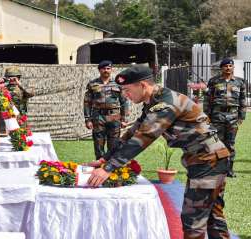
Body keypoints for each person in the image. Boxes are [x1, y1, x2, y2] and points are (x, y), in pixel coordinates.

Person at [87, 65, 231, 239]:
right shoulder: (154, 102)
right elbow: (132, 133)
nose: (125, 95)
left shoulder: (165, 103)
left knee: (193, 222)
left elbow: (144, 137)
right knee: (212, 219)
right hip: (209, 159)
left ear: (142, 85)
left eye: (127, 90)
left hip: (208, 161)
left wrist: (108, 169)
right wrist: (105, 159)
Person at [203, 58, 246, 177]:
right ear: (221, 68)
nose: (228, 68)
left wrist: (241, 116)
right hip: (217, 117)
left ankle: (229, 170)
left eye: (230, 66)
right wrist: (206, 115)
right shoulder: (213, 81)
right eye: (225, 66)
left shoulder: (240, 82)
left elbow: (242, 100)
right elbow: (207, 100)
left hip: (233, 117)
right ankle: (217, 169)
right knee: (217, 144)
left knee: (230, 144)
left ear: (233, 68)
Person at [84, 60, 129, 160]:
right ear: (99, 70)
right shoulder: (92, 84)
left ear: (111, 70)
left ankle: (111, 167)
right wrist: (88, 119)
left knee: (114, 143)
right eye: (104, 68)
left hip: (114, 117)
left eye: (108, 68)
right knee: (98, 143)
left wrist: (124, 119)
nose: (106, 70)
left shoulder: (118, 84)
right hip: (98, 117)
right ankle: (99, 166)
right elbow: (87, 102)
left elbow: (124, 102)